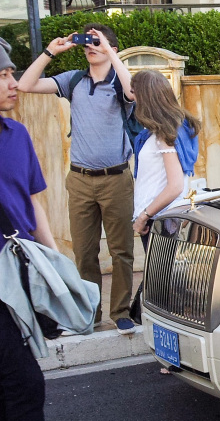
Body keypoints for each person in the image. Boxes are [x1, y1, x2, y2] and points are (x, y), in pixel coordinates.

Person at [0, 38, 102, 421]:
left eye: (10, 74)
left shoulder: (16, 135)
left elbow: (34, 202)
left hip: (22, 273)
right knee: (23, 383)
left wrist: (56, 266)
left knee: (8, 378)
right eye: (1, 77)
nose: (11, 83)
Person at [17, 23, 136, 335]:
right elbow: (26, 85)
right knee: (84, 253)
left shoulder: (118, 81)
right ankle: (89, 314)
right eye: (88, 41)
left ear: (111, 47)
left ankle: (121, 311)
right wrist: (50, 52)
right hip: (81, 180)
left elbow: (133, 91)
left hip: (117, 179)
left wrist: (109, 50)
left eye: (97, 42)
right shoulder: (74, 81)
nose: (90, 46)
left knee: (121, 250)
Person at [130, 71, 201, 242]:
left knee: (160, 269)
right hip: (159, 217)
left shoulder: (165, 133)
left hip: (160, 219)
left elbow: (175, 186)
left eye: (134, 93)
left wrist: (143, 217)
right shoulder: (166, 128)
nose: (132, 98)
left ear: (146, 97)